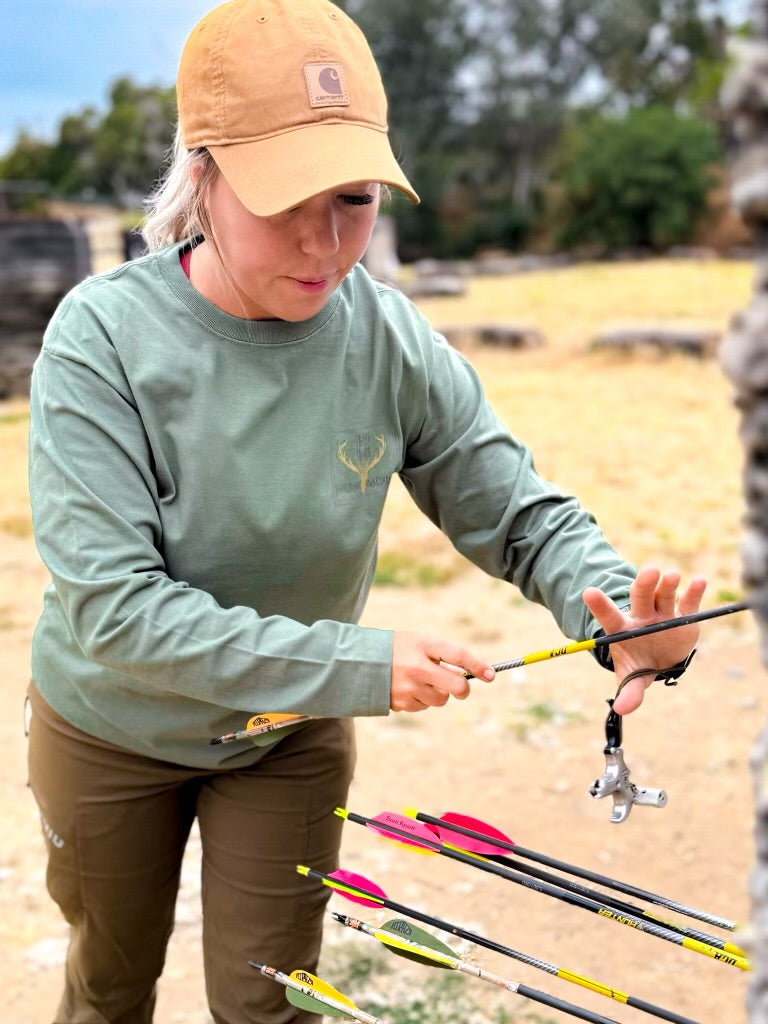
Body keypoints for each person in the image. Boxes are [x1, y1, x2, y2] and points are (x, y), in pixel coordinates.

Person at [25, 1, 705, 1022]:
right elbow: (118, 611)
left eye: (353, 198)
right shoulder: (99, 339)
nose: (323, 240)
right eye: (286, 197)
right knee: (109, 986)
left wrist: (621, 619)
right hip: (111, 728)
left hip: (289, 732)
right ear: (201, 172)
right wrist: (360, 665)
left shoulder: (386, 335)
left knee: (270, 1001)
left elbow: (513, 506)